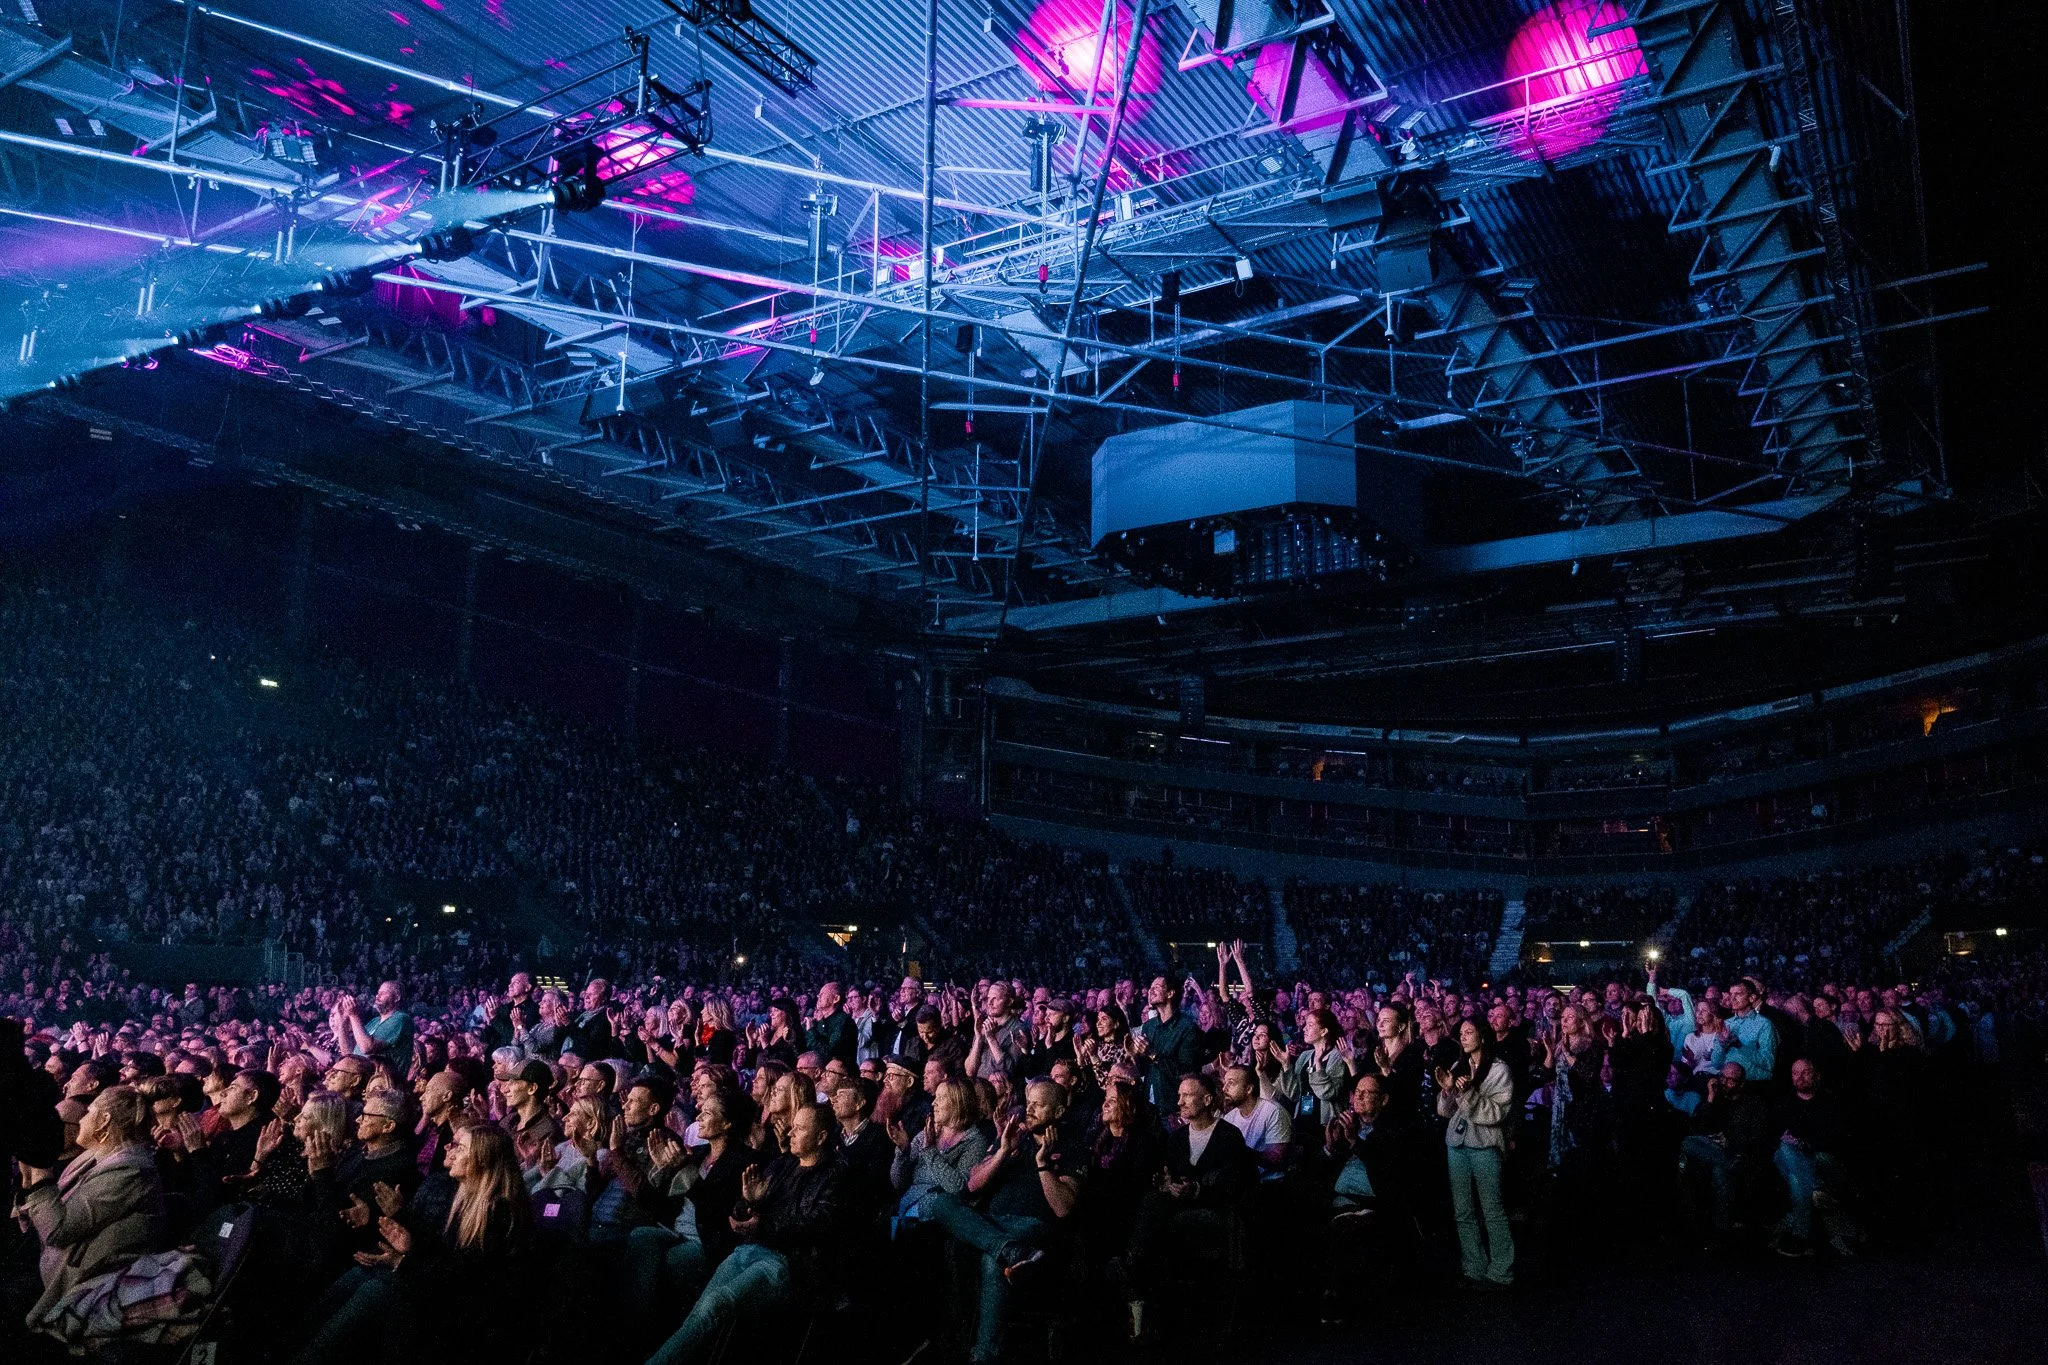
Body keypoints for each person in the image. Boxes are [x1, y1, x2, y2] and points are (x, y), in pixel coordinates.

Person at [293, 1122, 531, 1365]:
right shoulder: (459, 1192)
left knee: (375, 1291)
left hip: (458, 1312)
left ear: (482, 1158)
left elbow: (462, 1277)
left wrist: (403, 1261)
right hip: (429, 1286)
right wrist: (401, 1228)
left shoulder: (499, 1212)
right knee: (357, 1276)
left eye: (460, 1147)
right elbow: (437, 1249)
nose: (451, 1150)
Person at [644, 1103, 847, 1365]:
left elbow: (817, 1224)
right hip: (748, 1249)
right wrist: (749, 1203)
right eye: (792, 1127)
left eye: (799, 1128)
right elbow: (742, 1207)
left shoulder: (835, 1175)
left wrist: (761, 1223)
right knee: (702, 1311)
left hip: (787, 1261)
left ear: (821, 1137)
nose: (790, 1133)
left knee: (717, 1304)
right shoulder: (783, 1164)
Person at [925, 1080, 1084, 1365]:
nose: (1030, 1109)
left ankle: (984, 1355)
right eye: (1029, 1102)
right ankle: (1009, 1250)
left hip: (1034, 1225)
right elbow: (972, 1185)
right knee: (941, 1203)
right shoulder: (1014, 1138)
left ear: (1058, 1110)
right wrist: (1001, 1151)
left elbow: (1062, 1209)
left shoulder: (1072, 1144)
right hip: (993, 1223)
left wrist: (1042, 1163)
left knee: (991, 1259)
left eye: (1039, 1104)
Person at [17, 1085, 168, 1335]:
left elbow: (58, 1231)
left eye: (89, 1112)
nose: (83, 1119)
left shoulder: (130, 1171)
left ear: (104, 1121)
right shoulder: (93, 1158)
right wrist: (28, 1178)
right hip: (61, 1268)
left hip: (84, 1287)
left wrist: (41, 1170)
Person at [1437, 1019, 1515, 1288]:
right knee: (1463, 1210)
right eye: (1461, 1033)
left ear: (1483, 1035)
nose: (1465, 1037)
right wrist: (1448, 1090)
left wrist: (1467, 1092)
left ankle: (1502, 1268)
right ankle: (1473, 1265)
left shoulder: (1499, 1070)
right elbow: (1445, 1111)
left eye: (1469, 1032)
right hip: (1457, 1143)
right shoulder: (1459, 1066)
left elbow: (1495, 1113)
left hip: (1484, 1144)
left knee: (1492, 1208)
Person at [1133, 977, 1203, 1113]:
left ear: (1170, 993)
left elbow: (1187, 1073)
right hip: (1149, 1102)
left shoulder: (1187, 1028)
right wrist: (1134, 1055)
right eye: (1151, 987)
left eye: (1157, 987)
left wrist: (1152, 1054)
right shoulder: (1149, 1026)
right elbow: (1143, 1070)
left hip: (1173, 1104)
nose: (1150, 991)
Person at [1218, 1063, 1291, 1178]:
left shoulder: (1273, 1111)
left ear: (1248, 1089)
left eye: (1231, 1083)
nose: (1224, 1088)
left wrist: (1240, 1150)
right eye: (1224, 1083)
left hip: (1270, 1185)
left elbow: (1277, 1159)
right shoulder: (1229, 1118)